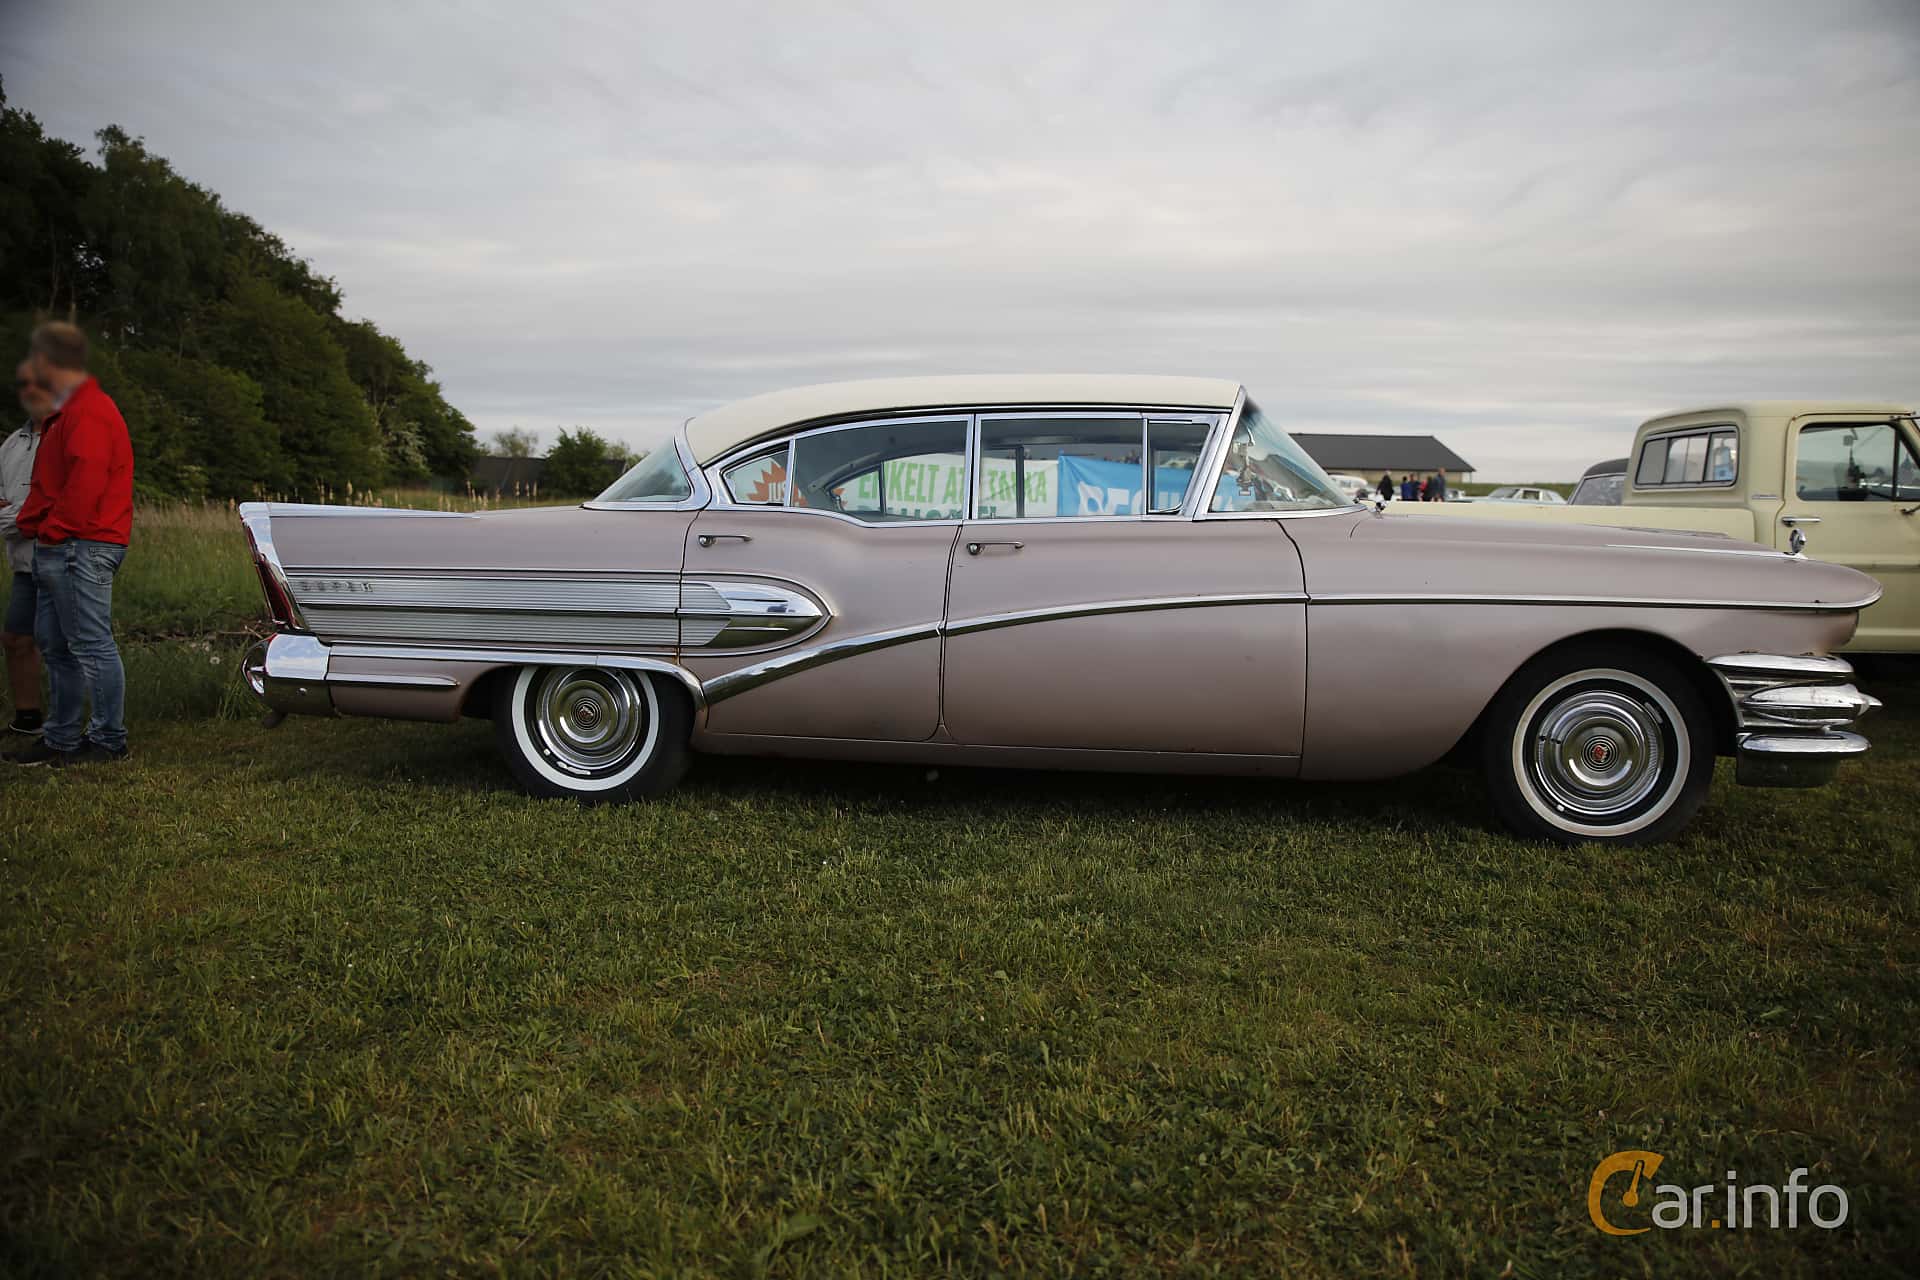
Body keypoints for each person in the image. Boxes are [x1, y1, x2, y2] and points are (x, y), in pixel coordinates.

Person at [7, 322, 134, 767]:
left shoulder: (90, 410)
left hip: (84, 543)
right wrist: (32, 523)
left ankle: (108, 739)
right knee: (56, 644)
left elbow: (87, 479)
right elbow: (49, 482)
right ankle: (61, 737)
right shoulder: (65, 414)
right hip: (61, 542)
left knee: (89, 643)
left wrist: (56, 530)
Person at [1, 360, 52, 736]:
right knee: (16, 638)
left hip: (61, 556)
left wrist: (17, 517)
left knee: (66, 644)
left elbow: (53, 503)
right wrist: (21, 517)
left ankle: (84, 729)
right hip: (23, 563)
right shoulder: (10, 445)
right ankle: (28, 719)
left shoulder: (65, 436)